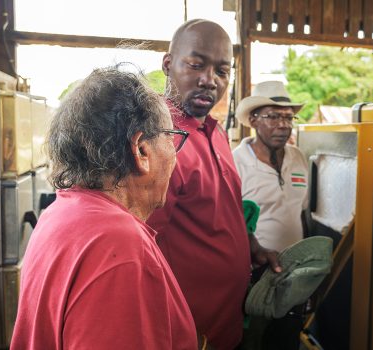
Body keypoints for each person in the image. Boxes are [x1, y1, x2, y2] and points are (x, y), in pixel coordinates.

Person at [11, 65, 197, 350]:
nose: (174, 155)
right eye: (170, 138)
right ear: (141, 151)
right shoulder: (121, 245)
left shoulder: (61, 213)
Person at [147, 19, 280, 350]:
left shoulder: (215, 132)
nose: (210, 81)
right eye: (196, 65)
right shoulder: (161, 142)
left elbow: (222, 211)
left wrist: (249, 244)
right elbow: (145, 250)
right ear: (168, 64)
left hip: (227, 324)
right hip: (189, 335)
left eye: (222, 71)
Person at [232, 81, 309, 350]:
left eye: (288, 117)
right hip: (255, 276)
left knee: (286, 338)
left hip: (294, 273)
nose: (283, 124)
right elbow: (232, 223)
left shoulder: (298, 158)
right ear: (253, 120)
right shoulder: (236, 163)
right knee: (252, 342)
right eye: (273, 116)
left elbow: (301, 213)